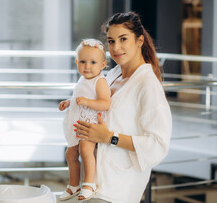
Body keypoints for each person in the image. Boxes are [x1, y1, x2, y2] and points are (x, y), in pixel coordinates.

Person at [74, 12, 172, 203]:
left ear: (139, 40)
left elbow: (158, 144)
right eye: (111, 41)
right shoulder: (112, 75)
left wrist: (109, 137)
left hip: (116, 191)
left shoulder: (147, 85)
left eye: (123, 39)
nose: (116, 48)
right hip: (92, 184)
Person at [59, 39, 111, 201]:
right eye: (83, 62)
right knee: (70, 154)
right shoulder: (83, 79)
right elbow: (78, 97)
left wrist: (88, 102)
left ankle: (89, 183)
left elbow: (105, 103)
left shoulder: (100, 81)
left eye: (93, 62)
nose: (87, 66)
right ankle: (73, 184)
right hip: (76, 124)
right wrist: (68, 102)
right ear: (76, 62)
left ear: (103, 65)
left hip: (89, 124)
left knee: (86, 151)